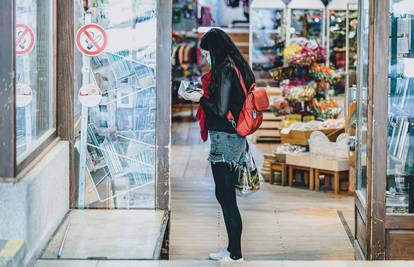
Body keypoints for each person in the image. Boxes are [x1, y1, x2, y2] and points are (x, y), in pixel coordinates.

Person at [184, 28, 255, 262]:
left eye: (206, 53)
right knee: (224, 197)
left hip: (225, 140)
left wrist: (199, 99)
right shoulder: (237, 66)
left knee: (226, 199)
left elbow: (220, 110)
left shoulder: (225, 70)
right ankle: (231, 249)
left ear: (215, 50)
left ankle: (236, 254)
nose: (205, 58)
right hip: (233, 139)